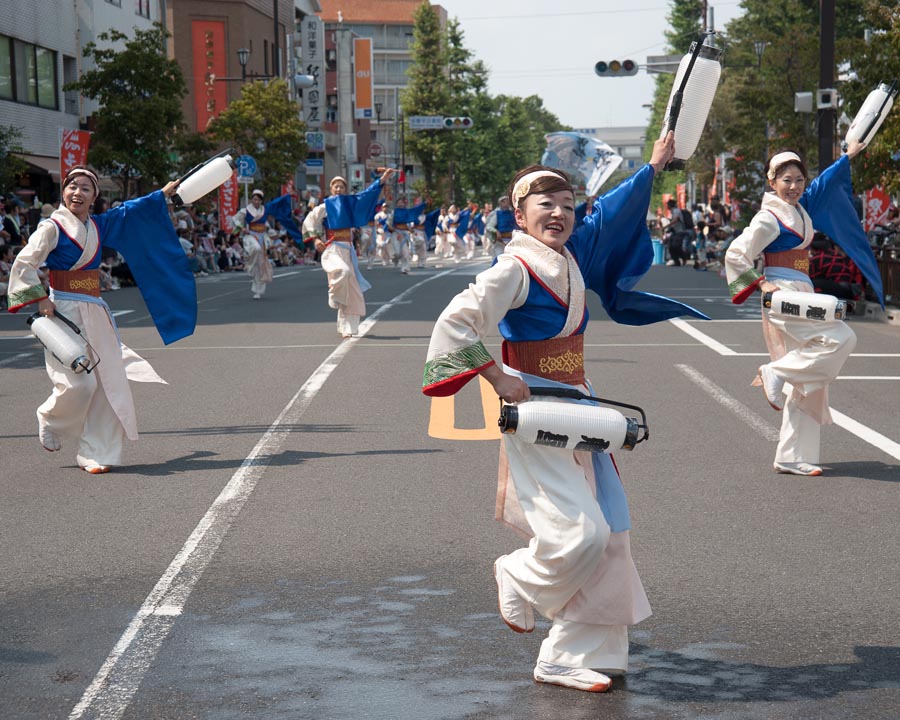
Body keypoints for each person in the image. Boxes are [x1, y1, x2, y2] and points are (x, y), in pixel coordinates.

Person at [423, 133, 706, 693]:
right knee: (580, 535)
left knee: (612, 529)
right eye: (545, 204)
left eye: (568, 205)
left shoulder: (569, 256)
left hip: (580, 404)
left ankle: (589, 650)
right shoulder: (514, 269)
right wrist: (497, 375)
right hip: (536, 412)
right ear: (519, 214)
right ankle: (520, 578)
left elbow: (615, 212)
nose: (559, 213)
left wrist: (652, 165)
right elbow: (455, 322)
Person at [6, 166, 196, 473]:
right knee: (80, 384)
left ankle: (97, 452)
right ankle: (50, 418)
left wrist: (162, 195)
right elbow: (25, 263)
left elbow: (129, 213)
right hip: (62, 313)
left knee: (108, 383)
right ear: (63, 192)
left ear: (95, 196)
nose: (77, 193)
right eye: (72, 187)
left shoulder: (98, 225)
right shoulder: (52, 227)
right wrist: (41, 298)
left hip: (95, 309)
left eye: (85, 188)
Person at [724, 141, 883, 476]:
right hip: (784, 297)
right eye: (786, 180)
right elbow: (735, 254)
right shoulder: (769, 218)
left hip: (802, 292)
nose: (794, 186)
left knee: (810, 381)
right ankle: (777, 373)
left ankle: (791, 455)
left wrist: (848, 154)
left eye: (798, 180)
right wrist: (764, 286)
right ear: (772, 182)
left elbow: (825, 181)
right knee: (842, 338)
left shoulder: (799, 211)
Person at [303, 170, 395, 337]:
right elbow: (309, 221)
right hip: (333, 248)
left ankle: (348, 328)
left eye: (341, 186)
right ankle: (333, 295)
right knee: (342, 272)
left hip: (349, 250)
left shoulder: (350, 204)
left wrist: (382, 180)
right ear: (331, 189)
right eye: (335, 186)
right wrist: (316, 239)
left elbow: (366, 195)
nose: (338, 189)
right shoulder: (325, 206)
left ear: (345, 189)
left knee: (353, 292)